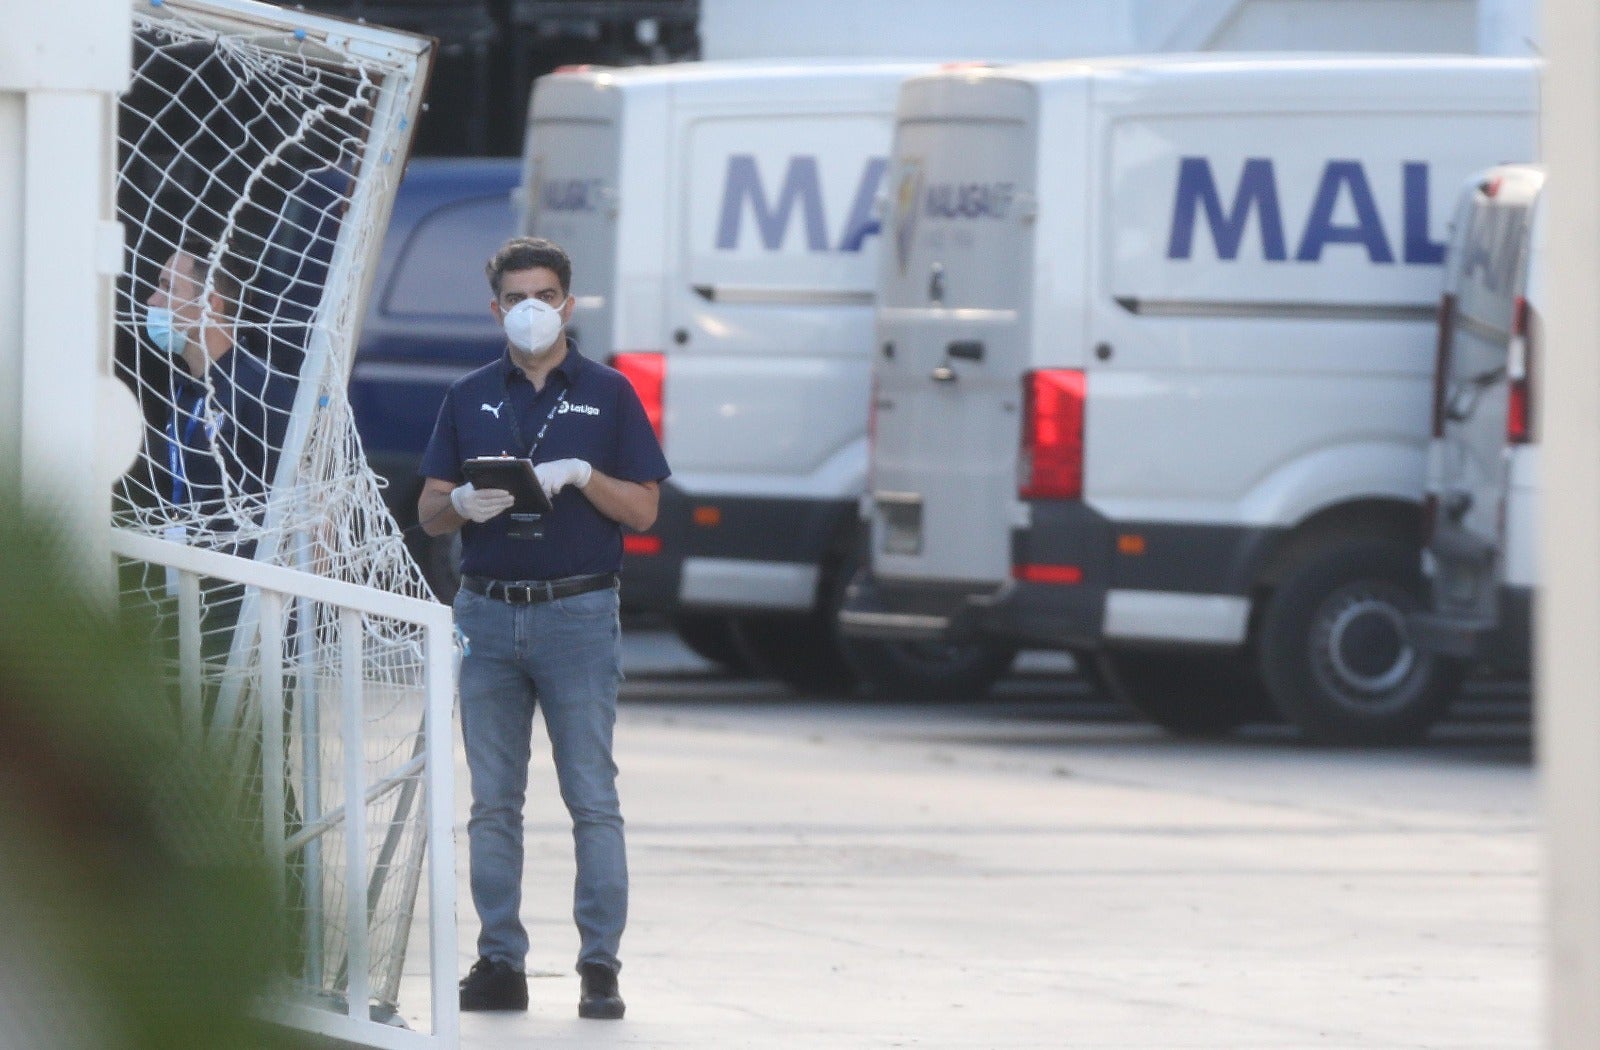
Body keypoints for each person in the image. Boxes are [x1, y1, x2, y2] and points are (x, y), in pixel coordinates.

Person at [417, 236, 668, 1020]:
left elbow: (646, 508)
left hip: (578, 611)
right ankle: (500, 959)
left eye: (547, 294)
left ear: (569, 301)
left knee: (591, 794)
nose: (533, 309)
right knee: (493, 800)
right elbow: (427, 510)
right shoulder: (467, 395)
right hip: (488, 609)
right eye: (517, 296)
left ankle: (600, 965)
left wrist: (587, 477)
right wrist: (457, 504)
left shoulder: (609, 394)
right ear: (496, 308)